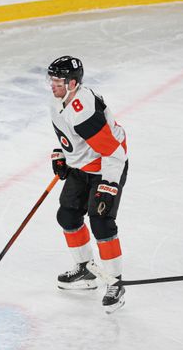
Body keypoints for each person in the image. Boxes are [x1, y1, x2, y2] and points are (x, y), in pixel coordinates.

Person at [47, 55, 129, 313]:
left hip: (106, 166)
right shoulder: (58, 102)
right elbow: (72, 138)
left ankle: (116, 283)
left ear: (72, 83)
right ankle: (86, 270)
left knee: (101, 221)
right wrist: (63, 155)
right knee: (67, 215)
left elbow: (114, 152)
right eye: (51, 80)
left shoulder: (84, 111)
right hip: (83, 167)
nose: (53, 85)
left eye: (58, 81)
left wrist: (109, 185)